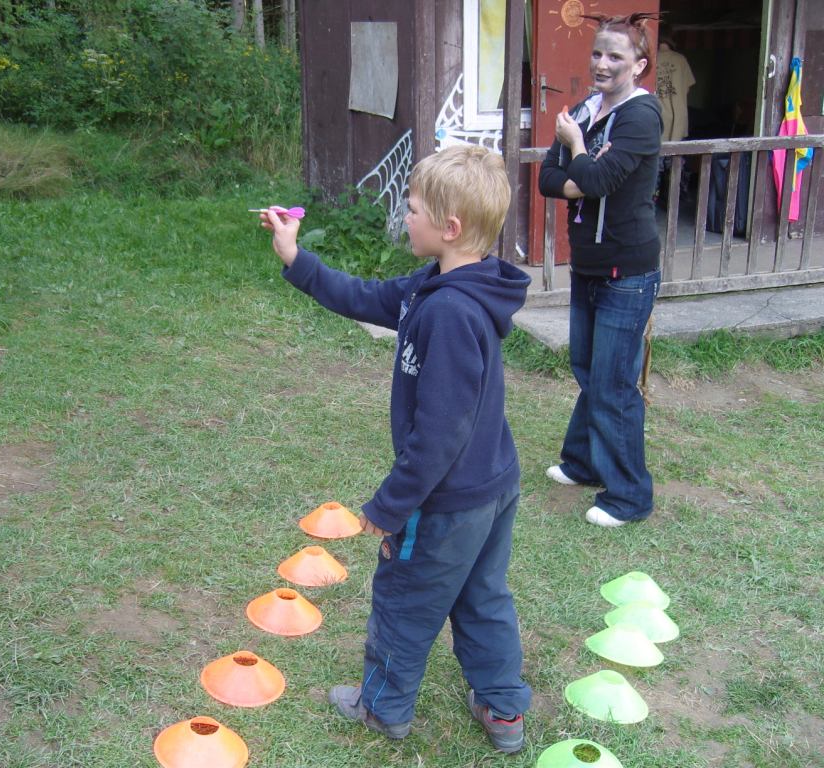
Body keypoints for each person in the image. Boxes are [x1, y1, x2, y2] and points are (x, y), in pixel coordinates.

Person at [259, 145, 532, 752]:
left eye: (412, 210)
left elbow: (439, 435)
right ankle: (503, 708)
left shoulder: (451, 313)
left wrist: (390, 506)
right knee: (482, 596)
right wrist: (296, 257)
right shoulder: (436, 285)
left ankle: (383, 708)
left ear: (449, 227)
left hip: (447, 501)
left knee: (404, 599)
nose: (404, 217)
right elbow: (363, 297)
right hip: (490, 484)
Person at [538, 12, 663, 527]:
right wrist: (581, 171)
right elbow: (549, 179)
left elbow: (598, 179)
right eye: (597, 53)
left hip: (626, 270)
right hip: (588, 264)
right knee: (589, 370)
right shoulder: (586, 109)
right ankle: (584, 462)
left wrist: (576, 149)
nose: (602, 64)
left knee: (613, 383)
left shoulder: (641, 115)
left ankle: (629, 496)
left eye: (615, 56)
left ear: (639, 64)